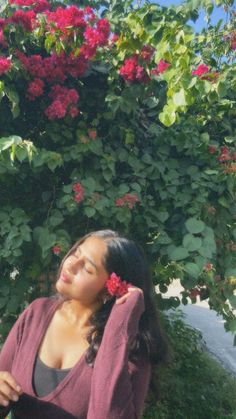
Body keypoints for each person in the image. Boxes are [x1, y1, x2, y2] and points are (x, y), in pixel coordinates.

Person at [0, 229, 168, 418]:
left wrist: (120, 323)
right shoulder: (36, 313)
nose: (71, 264)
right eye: (76, 253)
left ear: (109, 289)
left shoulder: (130, 349)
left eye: (88, 268)